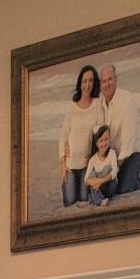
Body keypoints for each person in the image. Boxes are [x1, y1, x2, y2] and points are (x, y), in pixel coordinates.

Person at [58, 64, 103, 207]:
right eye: (85, 81)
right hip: (71, 165)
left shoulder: (97, 105)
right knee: (70, 201)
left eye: (91, 81)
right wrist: (63, 164)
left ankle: (84, 188)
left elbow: (100, 134)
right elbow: (63, 136)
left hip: (86, 165)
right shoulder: (71, 107)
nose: (87, 84)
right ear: (80, 83)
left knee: (83, 199)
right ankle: (70, 185)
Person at [100, 62, 140, 194]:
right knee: (105, 190)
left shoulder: (127, 100)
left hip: (131, 153)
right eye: (104, 81)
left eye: (110, 79)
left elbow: (128, 144)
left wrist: (114, 170)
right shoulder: (99, 104)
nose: (107, 84)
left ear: (116, 79)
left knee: (124, 190)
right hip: (112, 156)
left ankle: (134, 178)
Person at [83, 123, 118, 205]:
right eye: (101, 140)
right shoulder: (93, 159)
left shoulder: (112, 153)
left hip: (110, 187)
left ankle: (97, 197)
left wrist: (101, 181)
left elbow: (115, 171)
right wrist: (95, 182)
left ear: (109, 139)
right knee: (92, 174)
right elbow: (86, 179)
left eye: (106, 139)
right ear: (96, 143)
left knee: (107, 169)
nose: (104, 143)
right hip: (98, 189)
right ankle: (100, 200)